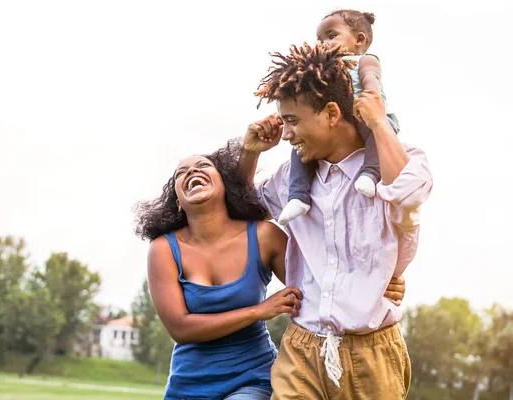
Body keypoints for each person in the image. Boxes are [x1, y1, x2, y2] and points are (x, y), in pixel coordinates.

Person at [133, 141, 407, 400]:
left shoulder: (264, 236)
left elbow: (320, 283)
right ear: (178, 201)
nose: (192, 171)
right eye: (182, 172)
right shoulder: (163, 249)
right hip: (187, 384)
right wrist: (259, 311)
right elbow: (180, 328)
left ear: (225, 184)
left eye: (203, 166)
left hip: (252, 379)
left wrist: (373, 284)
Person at [241, 41, 432, 399]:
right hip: (300, 349)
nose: (286, 134)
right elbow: (241, 209)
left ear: (331, 113)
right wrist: (250, 153)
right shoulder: (289, 179)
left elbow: (410, 194)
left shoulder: (395, 165)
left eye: (293, 121)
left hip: (372, 356)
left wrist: (377, 121)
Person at [278, 9, 400, 225]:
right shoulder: (323, 68)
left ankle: (370, 174)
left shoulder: (364, 60)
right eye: (320, 39)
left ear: (359, 40)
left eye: (331, 36)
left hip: (367, 114)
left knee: (378, 136)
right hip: (338, 119)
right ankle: (298, 196)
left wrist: (371, 97)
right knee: (299, 151)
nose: (323, 44)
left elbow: (370, 78)